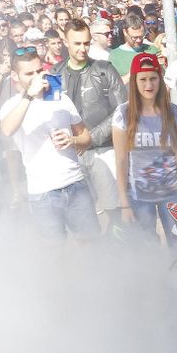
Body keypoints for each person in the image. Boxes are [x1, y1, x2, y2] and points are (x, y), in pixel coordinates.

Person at [0, 48, 98, 240]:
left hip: (75, 184)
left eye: (39, 70)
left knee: (89, 242)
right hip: (42, 193)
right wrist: (29, 95)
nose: (37, 77)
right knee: (54, 250)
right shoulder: (12, 106)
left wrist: (73, 140)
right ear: (14, 76)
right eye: (29, 74)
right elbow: (7, 130)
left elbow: (85, 137)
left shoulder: (60, 98)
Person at [111, 52, 177, 244]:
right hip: (139, 196)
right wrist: (124, 204)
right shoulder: (123, 113)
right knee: (147, 249)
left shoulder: (173, 112)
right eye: (143, 79)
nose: (149, 85)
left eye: (153, 78)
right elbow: (121, 161)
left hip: (172, 193)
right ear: (134, 81)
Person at [53, 19, 126, 227]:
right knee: (80, 213)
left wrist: (87, 140)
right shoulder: (55, 74)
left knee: (114, 210)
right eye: (77, 43)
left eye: (86, 43)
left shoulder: (104, 70)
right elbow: (51, 114)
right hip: (69, 154)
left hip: (102, 149)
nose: (82, 48)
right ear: (66, 42)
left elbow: (122, 110)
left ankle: (119, 249)